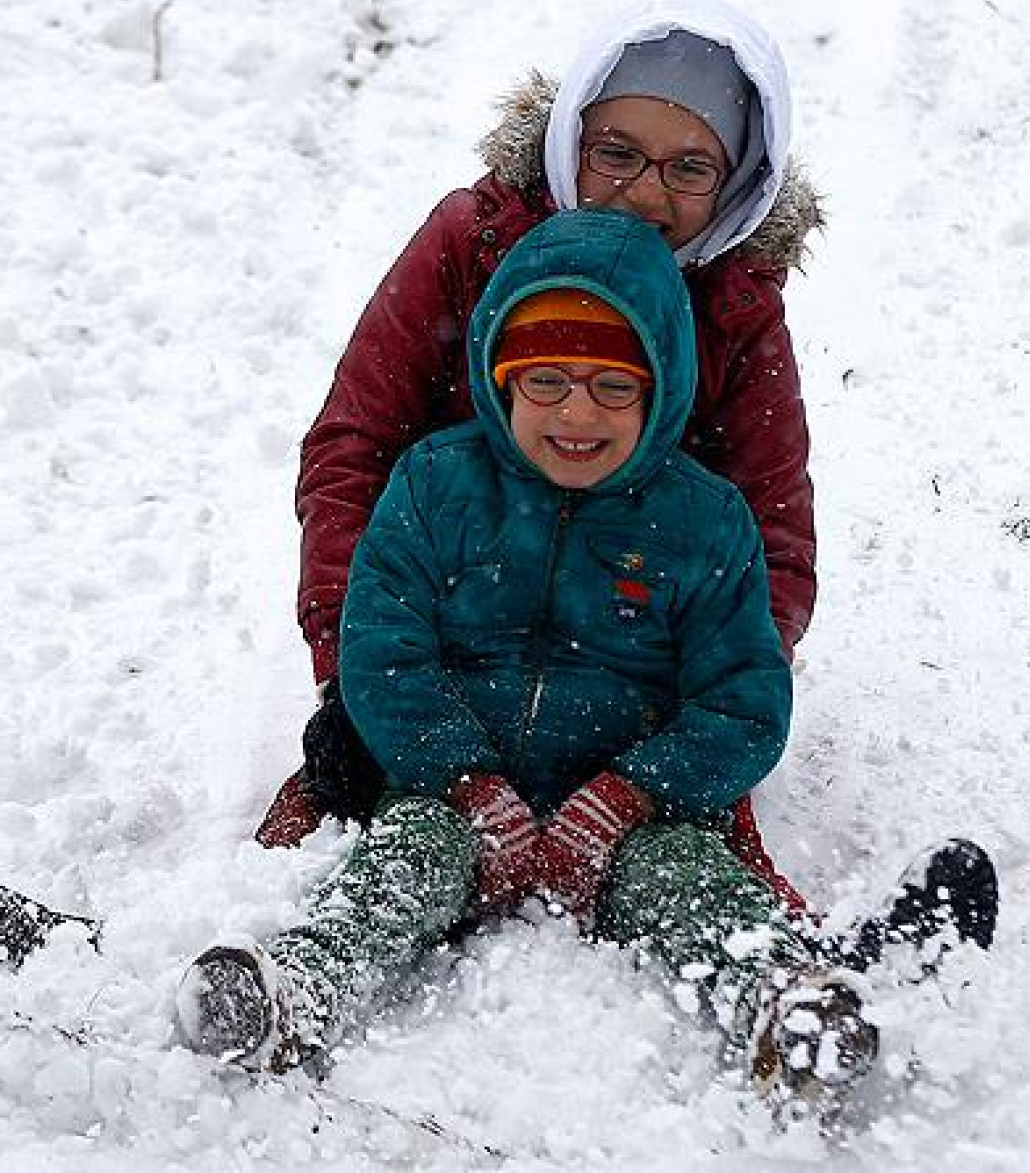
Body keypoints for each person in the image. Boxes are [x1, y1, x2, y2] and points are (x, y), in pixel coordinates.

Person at [177, 209, 881, 1122]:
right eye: (544, 380)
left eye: (612, 388)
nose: (576, 413)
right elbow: (384, 654)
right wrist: (465, 782)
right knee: (403, 862)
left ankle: (786, 1006)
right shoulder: (436, 486)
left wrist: (629, 796)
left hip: (632, 813)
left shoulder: (707, 523)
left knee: (691, 887)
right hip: (454, 792)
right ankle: (299, 990)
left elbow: (744, 701)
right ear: (499, 379)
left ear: (662, 389)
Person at [254, 0, 823, 909]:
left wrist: (702, 723)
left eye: (689, 168)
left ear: (738, 184)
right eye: (617, 154)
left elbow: (774, 532)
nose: (645, 192)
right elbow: (353, 448)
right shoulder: (476, 242)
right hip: (461, 603)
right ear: (571, 138)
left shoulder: (736, 302)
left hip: (632, 628)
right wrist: (351, 672)